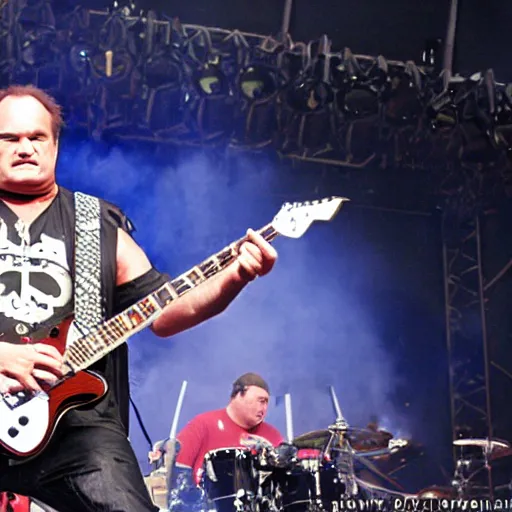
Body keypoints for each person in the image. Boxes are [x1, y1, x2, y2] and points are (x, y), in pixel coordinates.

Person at [0, 84, 278, 512]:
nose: (25, 148)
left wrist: (235, 277)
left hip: (80, 428)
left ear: (55, 146)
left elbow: (165, 315)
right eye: (10, 138)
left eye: (37, 137)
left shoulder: (97, 224)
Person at [170, 372, 283, 485]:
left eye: (266, 403)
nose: (264, 408)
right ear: (238, 395)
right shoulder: (202, 425)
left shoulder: (274, 437)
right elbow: (178, 474)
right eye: (261, 401)